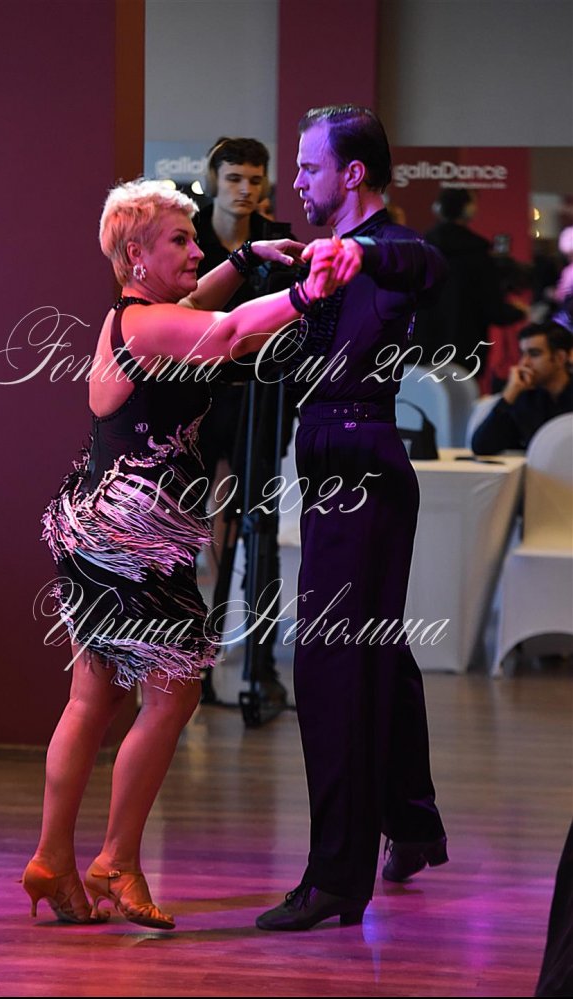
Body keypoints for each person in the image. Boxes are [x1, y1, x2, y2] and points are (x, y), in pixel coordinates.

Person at [21, 178, 352, 929]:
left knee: (95, 697)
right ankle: (115, 860)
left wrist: (246, 258)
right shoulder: (145, 327)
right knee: (170, 694)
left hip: (106, 529)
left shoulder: (138, 316)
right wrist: (309, 291)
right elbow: (229, 333)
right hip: (129, 540)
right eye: (181, 239)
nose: (196, 250)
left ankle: (52, 859)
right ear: (136, 255)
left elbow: (204, 302)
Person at [256, 104, 449, 932]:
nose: (296, 181)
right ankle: (412, 823)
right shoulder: (319, 255)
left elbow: (423, 260)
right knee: (375, 654)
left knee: (332, 665)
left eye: (309, 167)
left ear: (353, 174)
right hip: (334, 456)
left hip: (361, 460)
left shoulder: (387, 250)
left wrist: (359, 250)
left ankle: (337, 876)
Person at [194, 137, 298, 707]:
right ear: (215, 178)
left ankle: (259, 667)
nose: (245, 190)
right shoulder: (190, 237)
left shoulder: (277, 242)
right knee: (186, 525)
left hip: (262, 397)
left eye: (254, 179)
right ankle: (187, 665)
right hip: (195, 398)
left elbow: (290, 324)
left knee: (259, 526)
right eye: (234, 178)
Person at [414, 187, 525, 376]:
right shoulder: (478, 254)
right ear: (469, 210)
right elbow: (493, 309)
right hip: (466, 351)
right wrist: (519, 312)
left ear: (438, 208)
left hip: (421, 350)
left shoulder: (420, 250)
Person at [471, 321, 573, 455]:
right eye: (522, 354)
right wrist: (509, 395)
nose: (524, 363)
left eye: (534, 354)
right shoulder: (525, 396)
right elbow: (482, 447)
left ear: (560, 357)